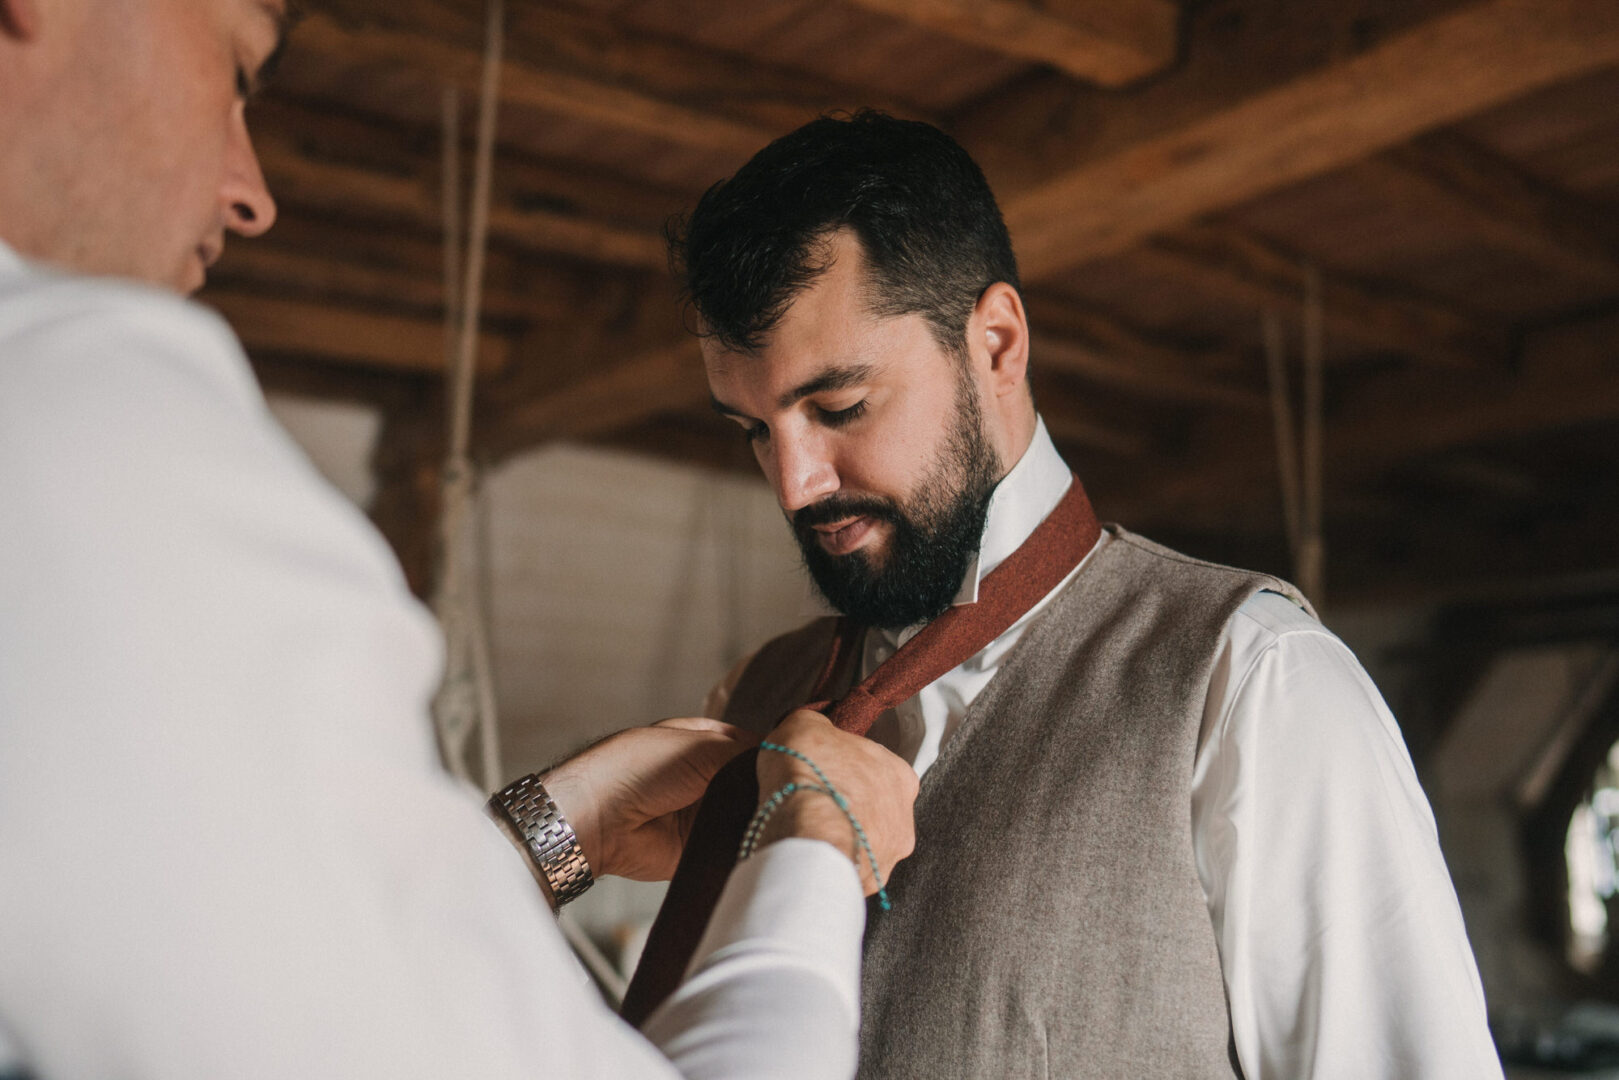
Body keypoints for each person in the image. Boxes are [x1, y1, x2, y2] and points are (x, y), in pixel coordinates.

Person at [0, 3, 919, 1079]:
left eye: (841, 405)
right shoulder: (76, 420)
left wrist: (552, 824)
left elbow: (228, 934)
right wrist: (816, 848)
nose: (248, 194)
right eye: (239, 70)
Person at [644, 111, 1505, 1079]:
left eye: (838, 407)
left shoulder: (1254, 687)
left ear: (998, 343)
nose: (793, 482)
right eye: (751, 430)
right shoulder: (755, 699)